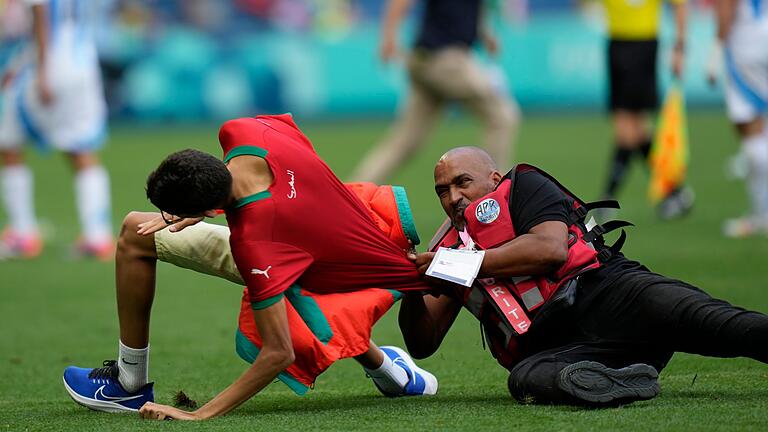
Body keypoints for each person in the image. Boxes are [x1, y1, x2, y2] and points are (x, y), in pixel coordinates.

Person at [62, 114, 438, 421]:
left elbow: (278, 353)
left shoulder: (257, 244)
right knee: (137, 230)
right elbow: (293, 162)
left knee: (298, 296)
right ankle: (390, 372)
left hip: (345, 272)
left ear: (208, 210)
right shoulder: (243, 131)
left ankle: (128, 383)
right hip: (361, 227)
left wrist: (198, 415)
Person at [404, 146, 768, 406]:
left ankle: (621, 376)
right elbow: (424, 342)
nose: (454, 197)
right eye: (442, 191)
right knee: (524, 380)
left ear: (494, 178)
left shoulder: (523, 187)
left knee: (720, 324)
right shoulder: (447, 250)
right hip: (562, 348)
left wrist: (462, 265)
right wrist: (410, 285)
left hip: (611, 294)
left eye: (462, 182)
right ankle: (626, 382)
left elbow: (550, 250)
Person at [349, 0, 519, 184]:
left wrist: (485, 35)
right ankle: (496, 194)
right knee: (502, 116)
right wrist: (388, 37)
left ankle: (353, 192)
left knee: (403, 142)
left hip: (424, 59)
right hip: (447, 60)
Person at [0, 0, 113, 259]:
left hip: (51, 62)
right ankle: (97, 235)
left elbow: (39, 13)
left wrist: (41, 70)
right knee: (81, 148)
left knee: (8, 142)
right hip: (83, 61)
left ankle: (22, 232)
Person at [599, 0, 693, 219]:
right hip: (617, 44)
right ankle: (675, 190)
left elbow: (679, 6)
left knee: (627, 130)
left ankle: (608, 198)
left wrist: (680, 48)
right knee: (637, 131)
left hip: (643, 45)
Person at [707, 0, 768, 237]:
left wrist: (715, 51)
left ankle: (761, 214)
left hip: (747, 45)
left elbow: (726, 6)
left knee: (749, 128)